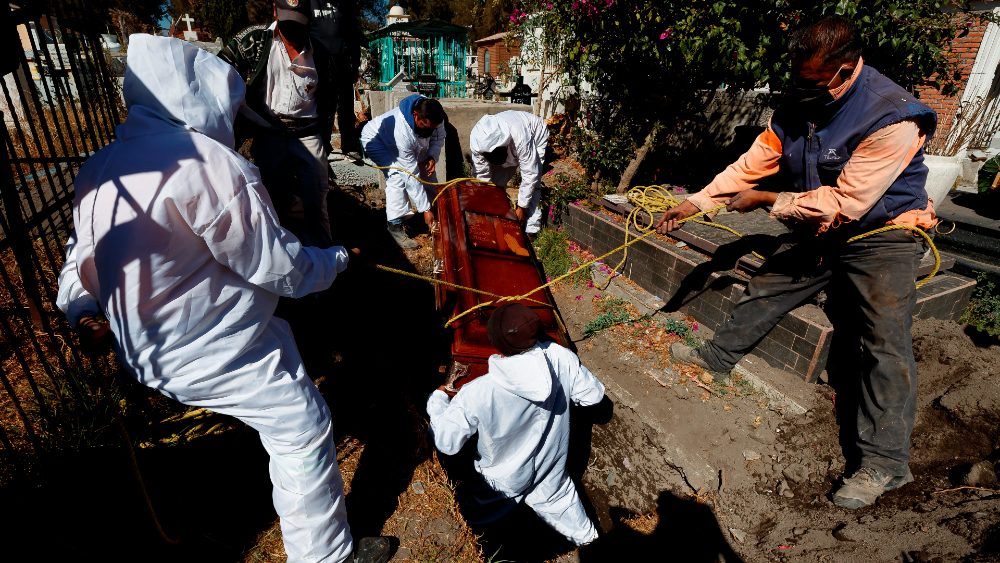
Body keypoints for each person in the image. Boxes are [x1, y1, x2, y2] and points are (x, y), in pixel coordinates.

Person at [56, 35, 391, 563]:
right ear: (201, 98)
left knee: (280, 348)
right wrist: (340, 261)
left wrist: (81, 309)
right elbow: (281, 267)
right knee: (301, 426)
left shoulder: (100, 166)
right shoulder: (205, 163)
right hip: (207, 346)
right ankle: (325, 556)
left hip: (144, 344)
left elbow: (81, 254)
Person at [656, 16, 937, 510]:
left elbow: (845, 204)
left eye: (810, 81)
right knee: (769, 284)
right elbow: (754, 163)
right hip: (821, 229)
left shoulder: (894, 117)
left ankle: (886, 464)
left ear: (844, 69)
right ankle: (717, 359)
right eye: (795, 78)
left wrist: (766, 200)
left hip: (882, 234)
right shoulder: (798, 104)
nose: (799, 89)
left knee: (884, 341)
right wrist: (697, 202)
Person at [426, 302, 604, 545]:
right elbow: (592, 396)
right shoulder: (561, 357)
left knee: (472, 534)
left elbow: (446, 442)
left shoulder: (479, 391)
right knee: (586, 536)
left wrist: (437, 399)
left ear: (495, 342)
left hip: (499, 483)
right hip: (551, 469)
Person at [219, 0, 337, 249]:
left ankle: (324, 262)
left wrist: (325, 143)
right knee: (271, 197)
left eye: (299, 23)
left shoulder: (322, 55)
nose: (291, 31)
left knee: (317, 200)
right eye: (286, 22)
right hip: (269, 132)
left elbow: (329, 101)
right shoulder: (252, 40)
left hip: (308, 133)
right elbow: (219, 71)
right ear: (274, 11)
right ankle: (281, 253)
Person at [360, 94, 446, 249]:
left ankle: (433, 215)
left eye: (433, 128)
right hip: (376, 140)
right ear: (415, 115)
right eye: (426, 127)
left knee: (427, 171)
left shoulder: (434, 113)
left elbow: (438, 138)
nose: (429, 132)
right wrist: (424, 208)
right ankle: (394, 225)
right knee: (396, 175)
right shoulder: (402, 129)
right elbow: (410, 174)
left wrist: (432, 155)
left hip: (398, 142)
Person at [470, 111, 549, 237]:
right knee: (495, 184)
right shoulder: (479, 142)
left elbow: (530, 174)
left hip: (535, 135)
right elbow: (482, 177)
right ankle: (499, 218)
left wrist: (522, 207)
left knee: (534, 182)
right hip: (512, 146)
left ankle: (531, 229)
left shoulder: (520, 136)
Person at [309, 0, 364, 160]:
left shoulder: (345, 4)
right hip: (317, 61)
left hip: (343, 61)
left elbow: (353, 34)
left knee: (346, 107)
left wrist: (356, 63)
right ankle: (322, 146)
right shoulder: (309, 3)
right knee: (322, 107)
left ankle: (349, 147)